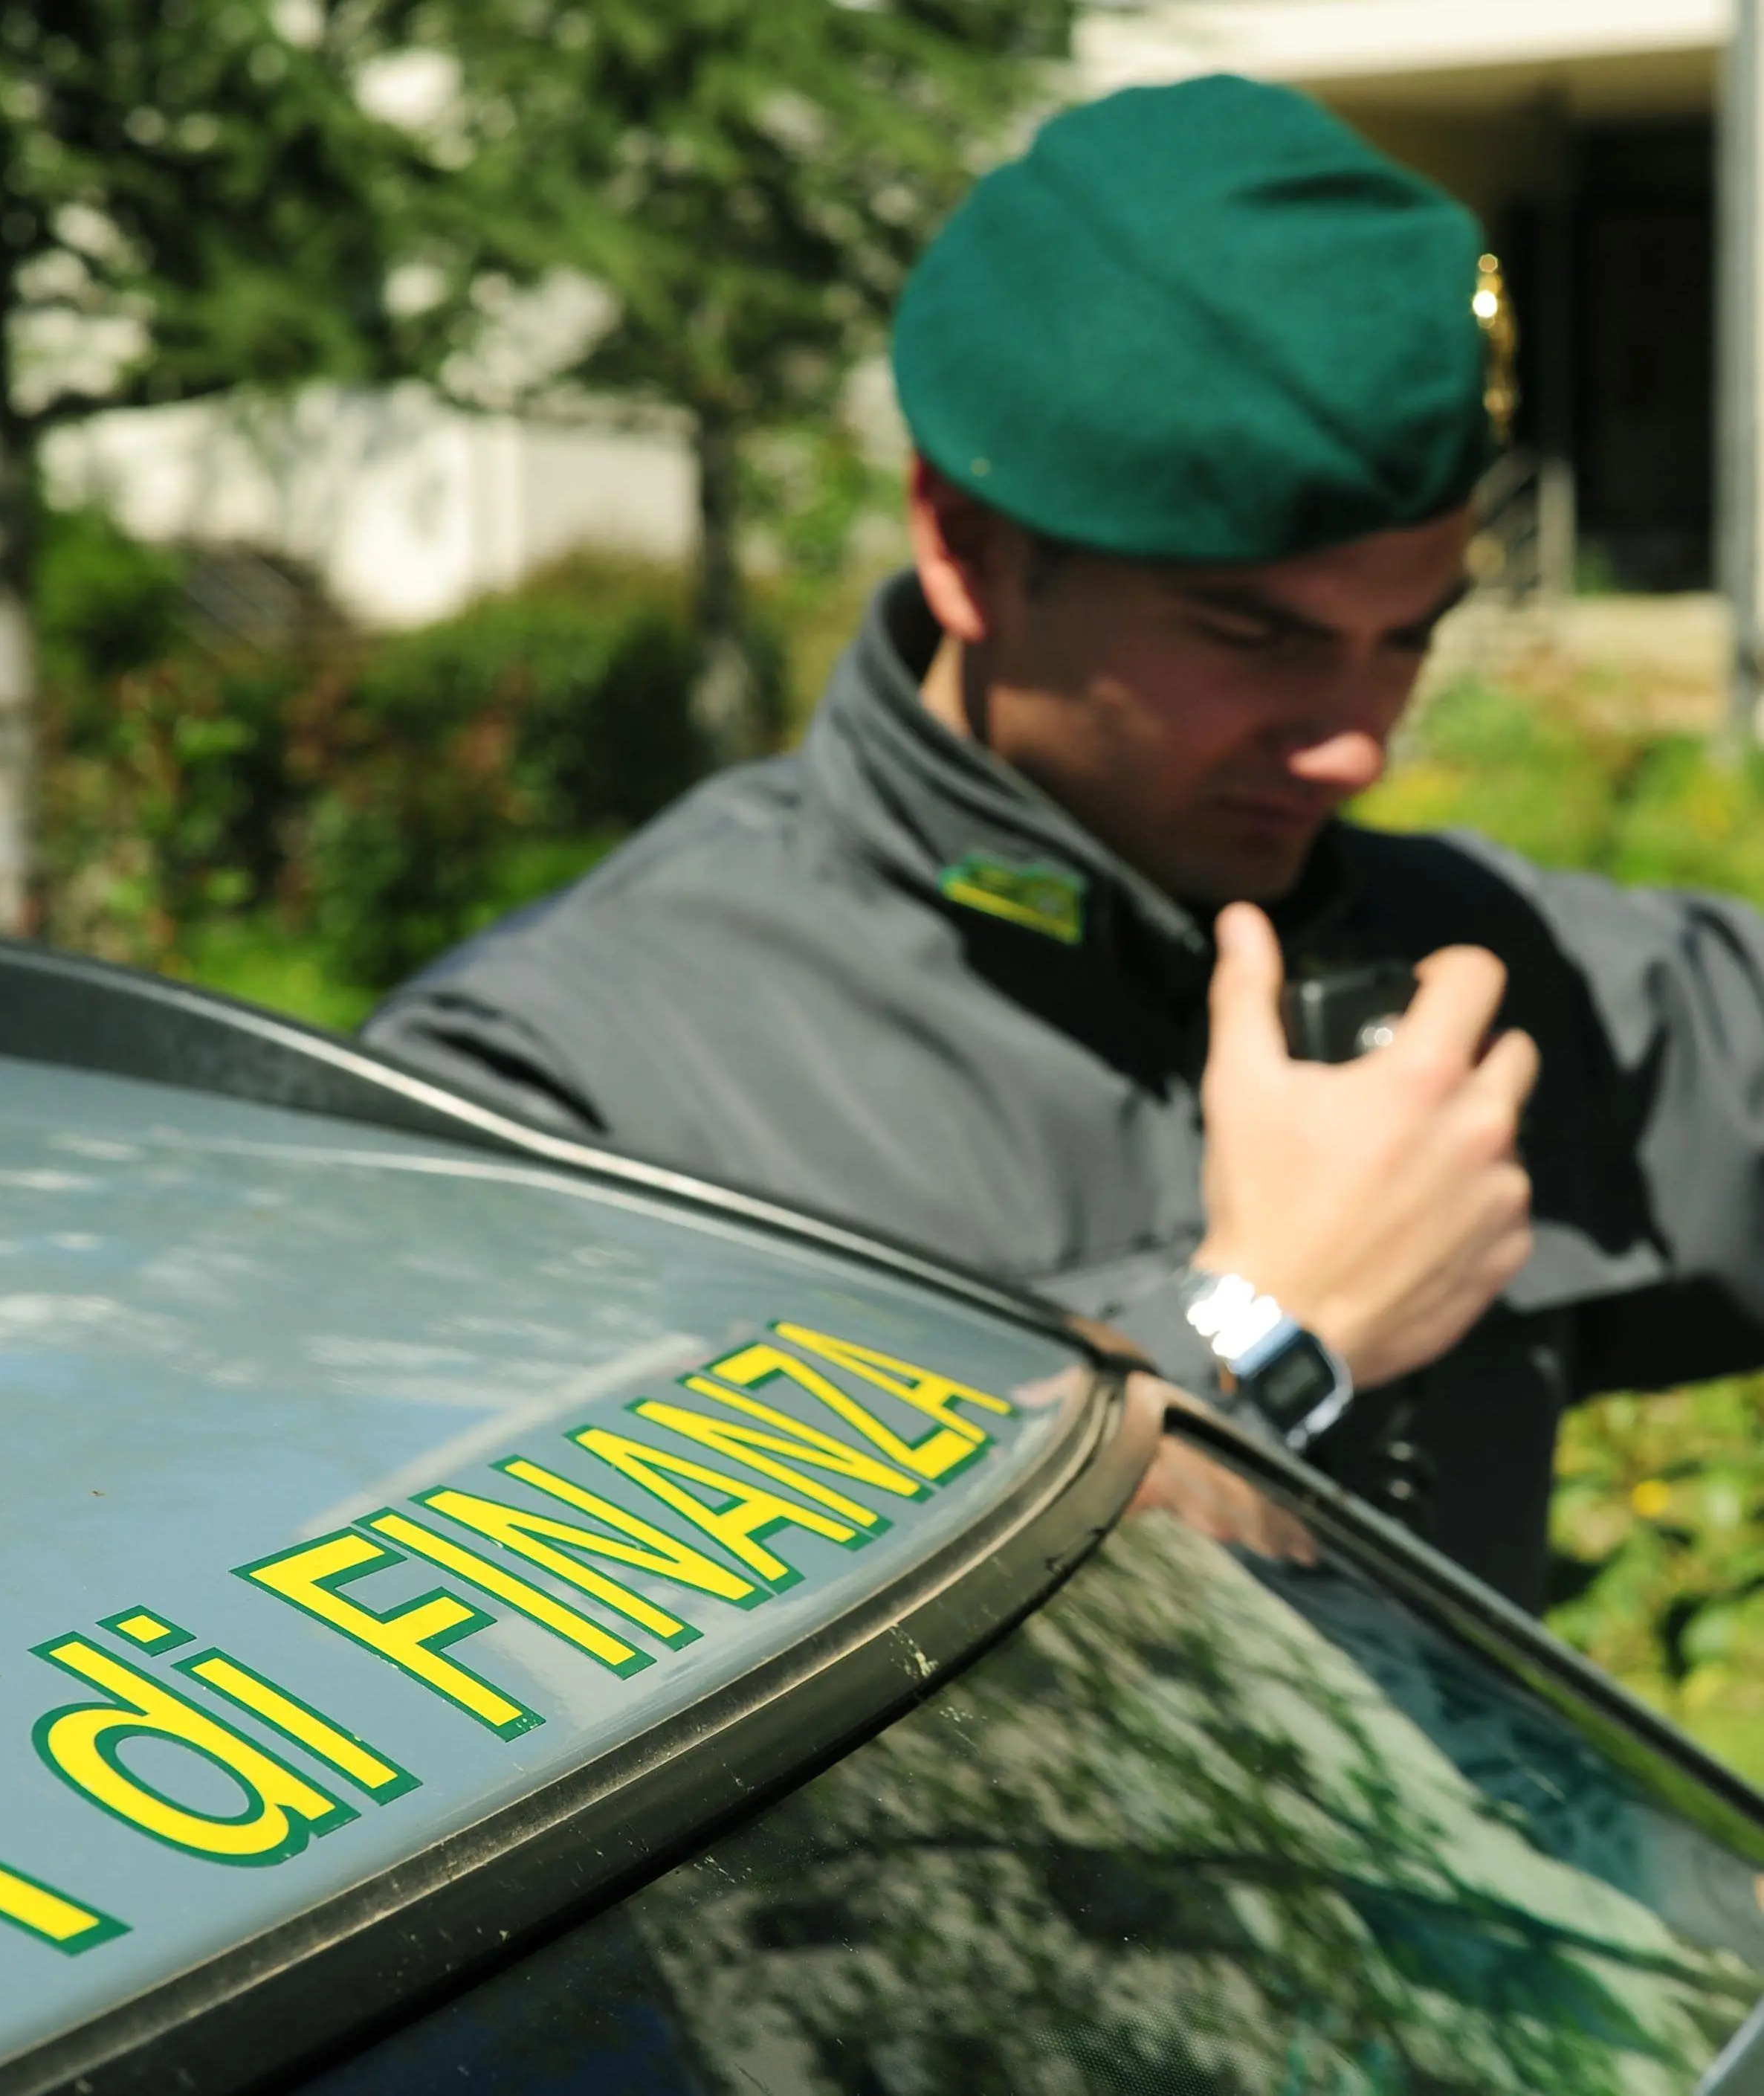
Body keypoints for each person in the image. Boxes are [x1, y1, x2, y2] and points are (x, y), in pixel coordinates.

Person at [364, 74, 1764, 1613]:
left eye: (1405, 638)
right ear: (963, 546)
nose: (1356, 739)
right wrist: (1258, 1335)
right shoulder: (555, 1090)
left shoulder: (1470, 979)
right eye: (1254, 636)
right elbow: (533, 1673)